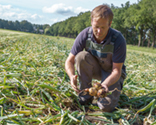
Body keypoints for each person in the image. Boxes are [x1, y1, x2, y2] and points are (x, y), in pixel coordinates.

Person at [65, 4, 126, 112]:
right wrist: (71, 76)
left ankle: (108, 96)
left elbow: (116, 70)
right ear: (92, 21)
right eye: (96, 27)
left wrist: (105, 84)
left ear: (110, 24)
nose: (98, 31)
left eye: (103, 27)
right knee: (81, 56)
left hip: (111, 73)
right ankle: (85, 95)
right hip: (95, 68)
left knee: (105, 107)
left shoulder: (118, 39)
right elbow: (69, 61)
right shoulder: (85, 34)